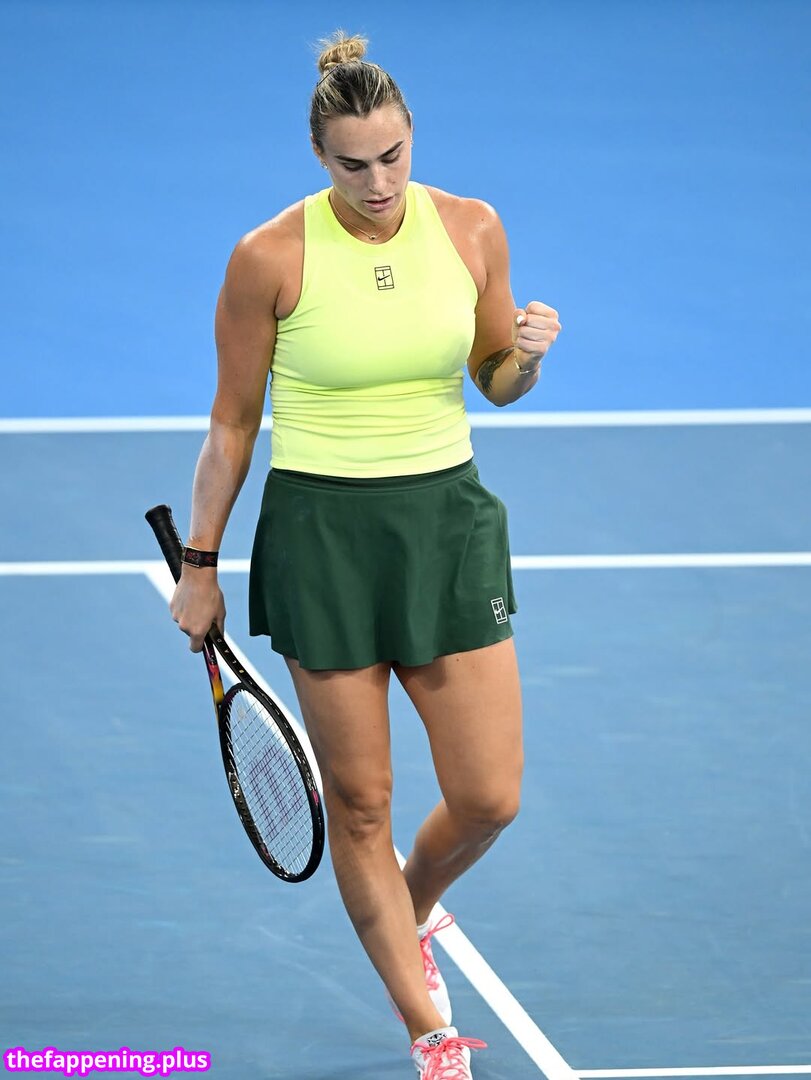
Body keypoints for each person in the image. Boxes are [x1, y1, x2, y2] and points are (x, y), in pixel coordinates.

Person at [169, 29, 562, 1080]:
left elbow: (493, 380)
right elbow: (231, 424)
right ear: (319, 157)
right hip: (323, 539)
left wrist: (523, 359)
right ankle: (428, 1030)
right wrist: (200, 566)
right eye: (353, 165)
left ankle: (410, 904)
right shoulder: (269, 257)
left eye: (392, 156)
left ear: (411, 137)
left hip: (446, 528)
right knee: (360, 805)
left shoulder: (470, 227)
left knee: (488, 797)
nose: (378, 183)